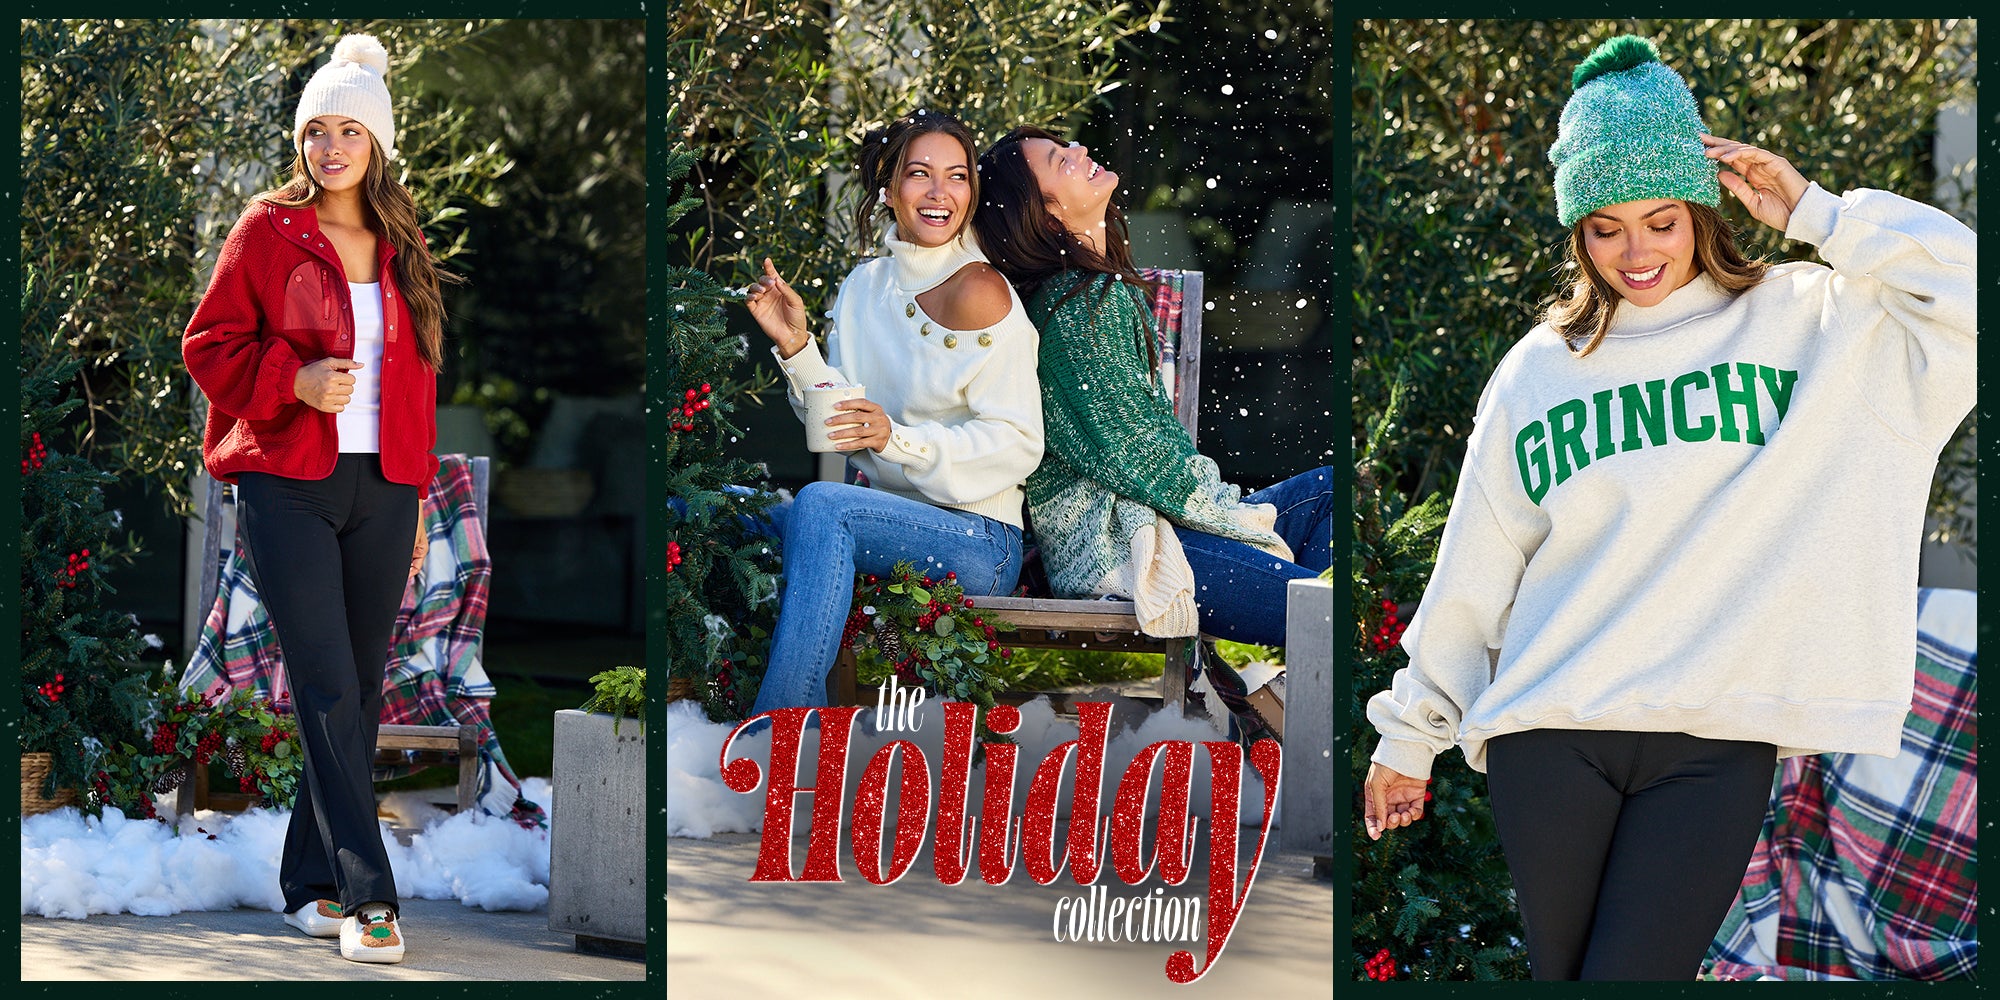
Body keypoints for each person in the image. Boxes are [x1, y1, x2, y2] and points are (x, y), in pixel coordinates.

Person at [1358, 35, 1975, 981]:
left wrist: (1818, 213)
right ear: (1577, 233)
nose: (1637, 251)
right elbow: (1478, 568)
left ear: (1700, 210)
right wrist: (1411, 735)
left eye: (1660, 220)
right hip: (1550, 736)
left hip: (1714, 744)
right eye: (1605, 228)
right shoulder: (1539, 371)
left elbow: (1970, 293)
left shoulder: (1815, 321)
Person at [183, 33, 449, 965]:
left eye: (349, 132)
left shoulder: (401, 238)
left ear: (377, 143)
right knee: (331, 685)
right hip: (289, 485)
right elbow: (208, 344)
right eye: (315, 132)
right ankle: (372, 900)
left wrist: (415, 501)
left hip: (385, 486)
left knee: (359, 691)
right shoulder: (266, 230)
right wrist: (292, 384)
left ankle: (308, 885)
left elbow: (416, 382)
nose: (330, 150)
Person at [969, 126, 1333, 700]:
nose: (1082, 153)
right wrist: (1237, 520)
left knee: (1329, 496)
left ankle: (1297, 689)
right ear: (1045, 214)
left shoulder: (1089, 290)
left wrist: (1235, 516)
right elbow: (1141, 456)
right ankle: (1303, 707)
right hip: (1123, 549)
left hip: (1153, 520)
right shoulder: (1081, 303)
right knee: (1326, 613)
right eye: (1061, 161)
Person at [740, 109, 1043, 715]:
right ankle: (689, 708)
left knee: (823, 507)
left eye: (957, 176)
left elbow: (1017, 442)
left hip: (980, 540)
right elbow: (840, 429)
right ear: (889, 189)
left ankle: (782, 731)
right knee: (715, 509)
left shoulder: (982, 287)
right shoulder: (864, 287)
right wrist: (798, 349)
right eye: (920, 174)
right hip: (882, 522)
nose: (939, 193)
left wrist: (898, 441)